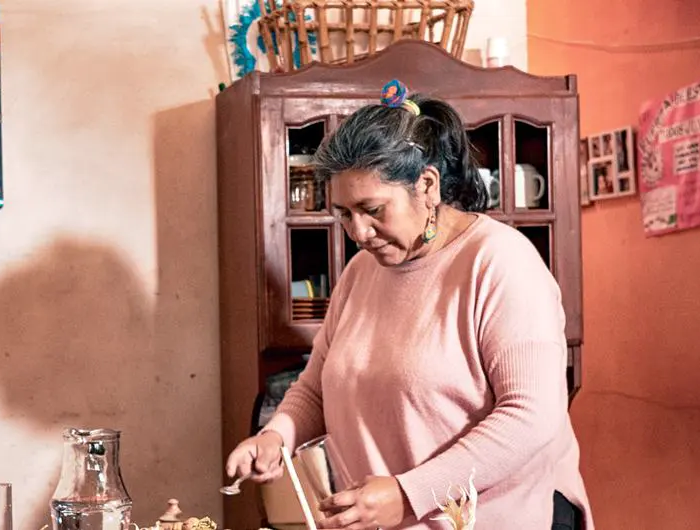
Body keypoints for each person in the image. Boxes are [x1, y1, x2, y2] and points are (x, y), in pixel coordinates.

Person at [225, 85, 594, 530]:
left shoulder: (500, 263)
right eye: (343, 213)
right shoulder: (362, 272)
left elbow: (531, 416)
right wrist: (276, 437)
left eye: (372, 209)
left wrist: (408, 493)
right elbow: (317, 387)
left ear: (427, 185)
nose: (358, 232)